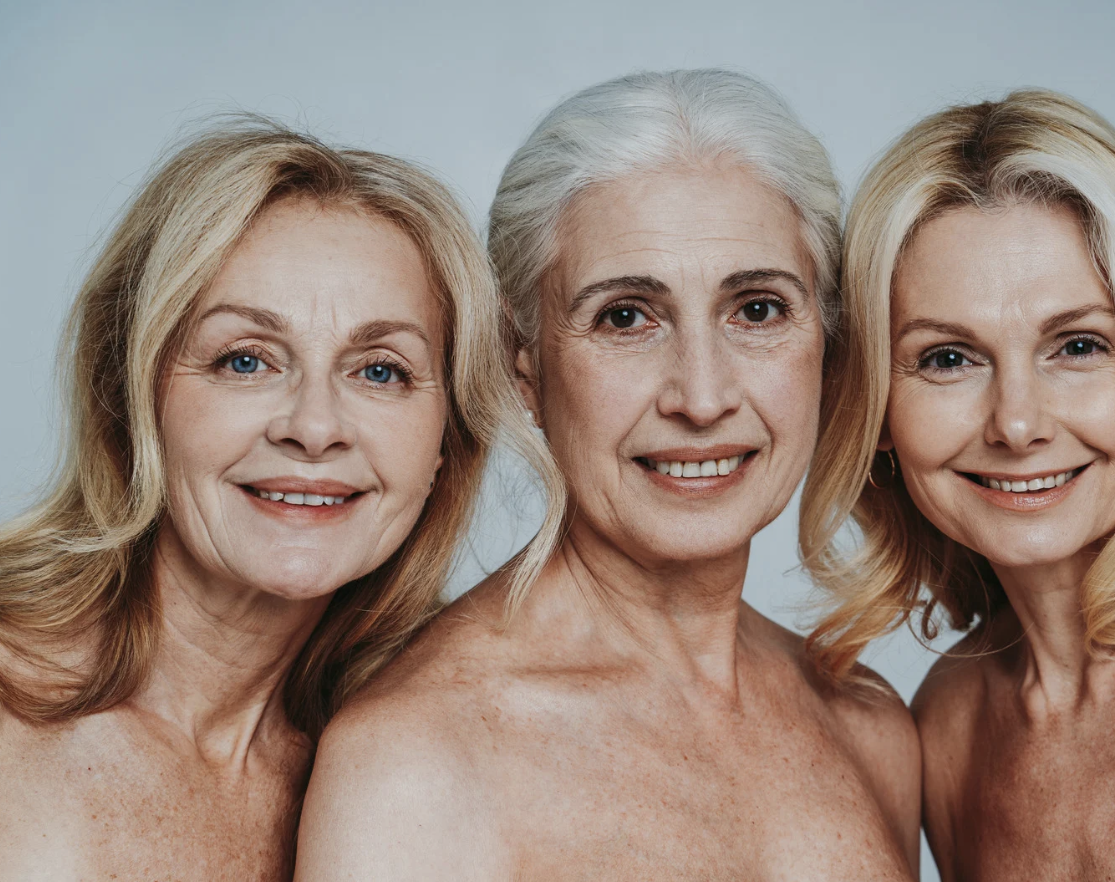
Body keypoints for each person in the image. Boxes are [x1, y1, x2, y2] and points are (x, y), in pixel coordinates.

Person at [297, 69, 921, 880]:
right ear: (526, 372)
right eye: (625, 316)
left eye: (758, 309)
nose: (702, 397)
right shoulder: (418, 764)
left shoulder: (870, 726)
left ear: (828, 348)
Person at [802, 89, 1115, 880]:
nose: (1017, 424)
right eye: (947, 358)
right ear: (876, 413)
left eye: (1078, 346)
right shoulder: (948, 730)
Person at [0, 117, 509, 879]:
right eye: (246, 360)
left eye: (380, 371)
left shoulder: (423, 773)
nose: (314, 427)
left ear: (446, 444)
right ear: (131, 395)